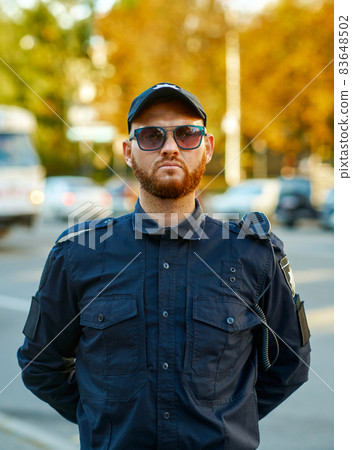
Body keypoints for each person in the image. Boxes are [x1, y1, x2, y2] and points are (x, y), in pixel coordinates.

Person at [18, 82, 311, 450]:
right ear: (128, 152)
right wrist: (101, 418)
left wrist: (229, 421)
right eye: (151, 136)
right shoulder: (78, 255)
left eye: (187, 134)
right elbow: (40, 364)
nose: (170, 147)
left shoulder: (253, 255)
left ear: (207, 148)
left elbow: (291, 365)